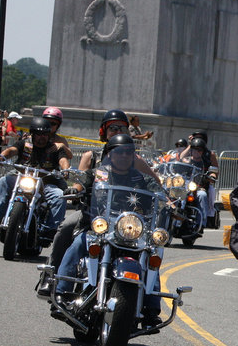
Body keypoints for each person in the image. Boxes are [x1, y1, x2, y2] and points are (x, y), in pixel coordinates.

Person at [54, 134, 164, 325]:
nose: (124, 156)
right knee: (79, 243)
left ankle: (151, 307)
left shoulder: (142, 179)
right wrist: (76, 189)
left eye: (128, 153)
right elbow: (82, 182)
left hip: (130, 231)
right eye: (119, 152)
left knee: (151, 255)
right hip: (99, 228)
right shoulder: (98, 173)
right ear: (109, 155)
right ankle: (62, 292)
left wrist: (169, 202)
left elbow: (160, 194)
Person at [0, 117, 70, 236]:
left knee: (59, 196)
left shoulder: (54, 148)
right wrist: (2, 157)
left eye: (45, 134)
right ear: (32, 134)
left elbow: (63, 160)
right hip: (22, 178)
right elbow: (12, 150)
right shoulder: (25, 144)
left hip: (45, 183)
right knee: (3, 181)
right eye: (39, 134)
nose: (42, 137)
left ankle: (51, 229)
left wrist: (65, 170)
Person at [180, 136, 219, 226]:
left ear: (203, 151)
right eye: (194, 149)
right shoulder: (187, 160)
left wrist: (211, 176)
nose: (197, 152)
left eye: (199, 150)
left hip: (199, 187)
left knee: (202, 195)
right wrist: (190, 145)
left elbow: (214, 171)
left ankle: (201, 223)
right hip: (186, 187)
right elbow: (180, 158)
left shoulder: (206, 160)